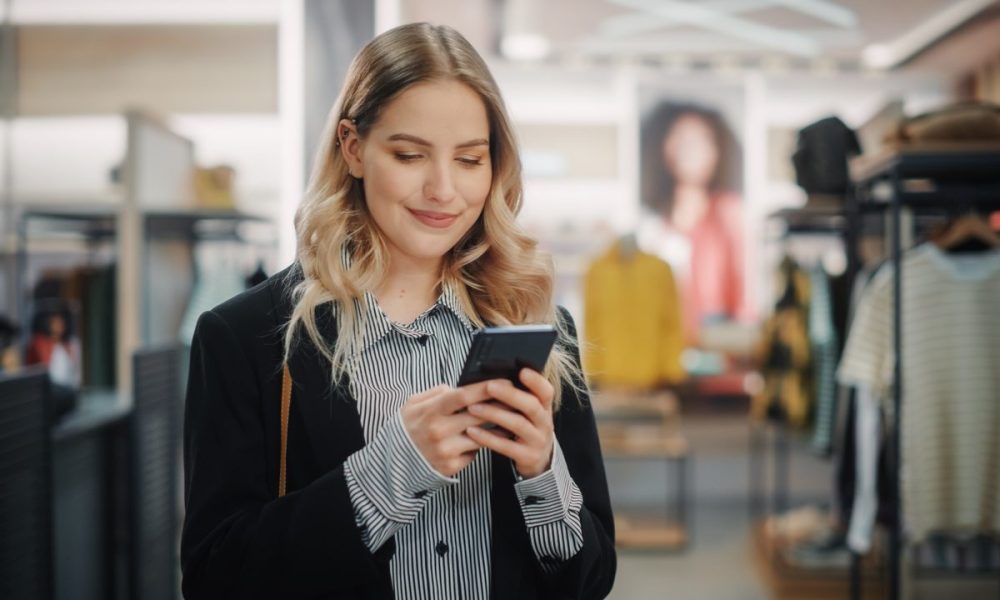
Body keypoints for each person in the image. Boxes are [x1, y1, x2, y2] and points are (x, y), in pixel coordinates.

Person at [181, 22, 616, 600]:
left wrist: (544, 473)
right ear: (353, 148)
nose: (443, 190)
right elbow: (215, 577)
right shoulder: (245, 338)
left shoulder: (537, 329)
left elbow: (590, 580)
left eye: (469, 160)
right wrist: (392, 469)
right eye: (410, 154)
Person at [639, 101, 747, 342]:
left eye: (700, 141)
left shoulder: (728, 212)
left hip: (715, 330)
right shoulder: (656, 223)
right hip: (665, 335)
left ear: (716, 150)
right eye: (682, 140)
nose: (689, 151)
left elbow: (741, 282)